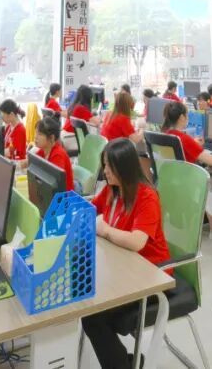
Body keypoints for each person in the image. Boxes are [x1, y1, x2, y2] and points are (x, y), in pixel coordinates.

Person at [81, 139, 171, 369]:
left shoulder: (146, 197)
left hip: (150, 275)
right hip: (123, 267)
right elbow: (90, 210)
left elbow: (137, 241)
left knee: (93, 317)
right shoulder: (112, 190)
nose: (105, 171)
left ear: (124, 167)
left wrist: (105, 230)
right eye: (104, 165)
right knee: (88, 302)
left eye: (110, 166)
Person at [160, 101, 212, 166]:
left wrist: (193, 143)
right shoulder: (184, 139)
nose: (188, 117)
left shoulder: (165, 134)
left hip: (172, 176)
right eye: (187, 115)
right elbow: (211, 161)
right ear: (181, 117)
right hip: (187, 177)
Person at [24, 115, 75, 192]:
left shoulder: (58, 155)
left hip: (64, 196)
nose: (35, 137)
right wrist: (19, 164)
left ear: (51, 138)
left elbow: (56, 185)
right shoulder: (42, 150)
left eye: (40, 134)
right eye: (36, 133)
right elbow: (31, 164)